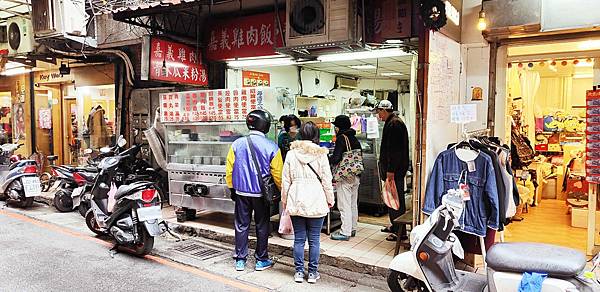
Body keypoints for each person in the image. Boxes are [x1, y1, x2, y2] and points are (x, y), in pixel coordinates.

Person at [226, 109, 283, 272]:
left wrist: (232, 188)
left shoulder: (236, 144)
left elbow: (229, 170)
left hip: (241, 193)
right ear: (265, 126)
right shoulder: (272, 146)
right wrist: (281, 191)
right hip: (261, 195)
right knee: (262, 225)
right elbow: (278, 174)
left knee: (241, 225)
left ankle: (240, 260)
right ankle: (261, 260)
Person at [281, 121, 334, 284]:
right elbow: (327, 180)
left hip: (296, 199)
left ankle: (298, 272)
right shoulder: (321, 154)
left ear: (301, 134)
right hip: (316, 199)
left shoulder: (291, 154)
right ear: (315, 135)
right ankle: (312, 273)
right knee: (314, 240)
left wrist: (285, 201)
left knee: (298, 239)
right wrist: (330, 199)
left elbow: (285, 180)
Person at [373, 100, 410, 241]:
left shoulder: (394, 124)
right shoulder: (393, 122)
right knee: (391, 198)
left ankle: (400, 232)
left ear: (384, 110)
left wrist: (391, 170)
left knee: (396, 199)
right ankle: (394, 226)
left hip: (394, 171)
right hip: (393, 170)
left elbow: (395, 151)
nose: (378, 115)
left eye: (378, 112)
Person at [329, 115, 362, 241]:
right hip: (356, 175)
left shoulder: (342, 139)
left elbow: (336, 158)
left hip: (345, 176)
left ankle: (345, 232)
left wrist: (328, 157)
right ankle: (352, 228)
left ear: (338, 127)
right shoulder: (354, 138)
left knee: (344, 204)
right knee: (353, 203)